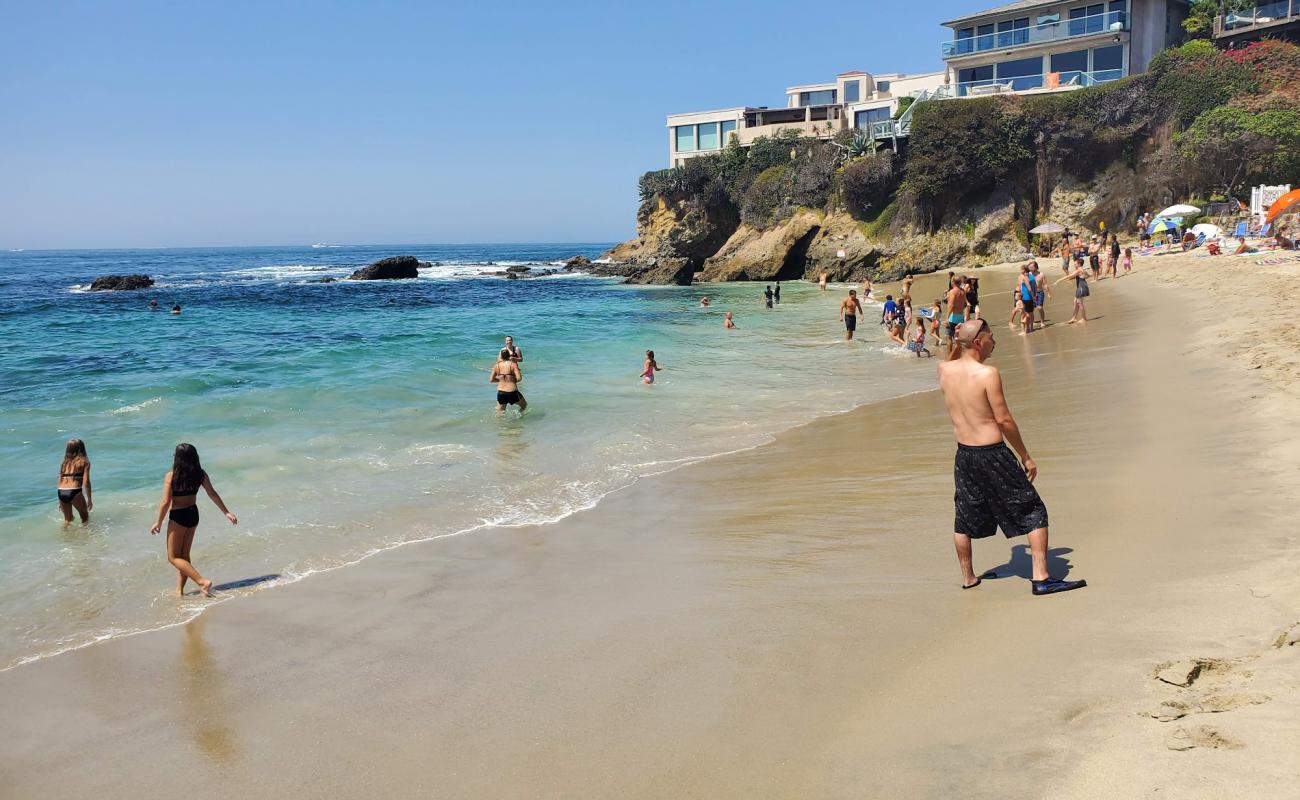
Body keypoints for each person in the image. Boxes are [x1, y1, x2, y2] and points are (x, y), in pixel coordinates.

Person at [939, 319, 1087, 596]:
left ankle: (969, 577)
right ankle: (1041, 578)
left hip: (964, 455)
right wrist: (1025, 455)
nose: (995, 341)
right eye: (991, 337)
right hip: (993, 453)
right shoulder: (988, 374)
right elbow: (1004, 420)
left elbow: (952, 359)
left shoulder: (944, 370)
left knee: (964, 516)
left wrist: (959, 341)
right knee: (1033, 510)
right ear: (978, 342)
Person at [150, 443, 238, 598]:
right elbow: (212, 493)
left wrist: (158, 522)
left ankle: (202, 581)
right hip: (193, 514)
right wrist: (226, 512)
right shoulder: (200, 474)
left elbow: (165, 502)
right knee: (184, 556)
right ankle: (179, 591)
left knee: (173, 557)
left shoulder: (172, 476)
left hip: (178, 516)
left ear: (177, 458)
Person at [56, 438, 92, 525]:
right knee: (85, 517)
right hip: (74, 491)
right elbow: (86, 482)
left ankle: (65, 537)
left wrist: (60, 500)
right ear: (82, 448)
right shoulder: (84, 462)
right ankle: (86, 537)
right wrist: (89, 499)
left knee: (68, 520)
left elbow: (59, 480)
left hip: (61, 491)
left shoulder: (64, 463)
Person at [1054, 258, 1090, 324]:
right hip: (1081, 286)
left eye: (1075, 264)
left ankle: (1084, 318)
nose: (1074, 265)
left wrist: (1058, 280)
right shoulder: (1082, 270)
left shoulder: (1079, 270)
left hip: (1081, 287)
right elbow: (1088, 276)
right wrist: (1082, 277)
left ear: (1079, 264)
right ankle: (1074, 318)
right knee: (1076, 302)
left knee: (1080, 303)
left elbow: (1069, 276)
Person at [944, 278, 968, 355]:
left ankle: (950, 357)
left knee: (948, 337)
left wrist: (947, 317)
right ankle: (960, 355)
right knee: (958, 339)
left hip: (952, 317)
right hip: (960, 316)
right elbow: (965, 304)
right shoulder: (962, 291)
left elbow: (951, 305)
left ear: (953, 282)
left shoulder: (952, 291)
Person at [1031, 262, 1050, 326]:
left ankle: (1042, 322)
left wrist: (1048, 293)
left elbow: (1045, 285)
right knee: (1031, 309)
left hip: (1040, 292)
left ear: (1036, 267)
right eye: (1029, 267)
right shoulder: (1029, 274)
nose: (1030, 268)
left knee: (1039, 307)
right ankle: (1032, 321)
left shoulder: (1041, 274)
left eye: (1032, 267)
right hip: (1031, 293)